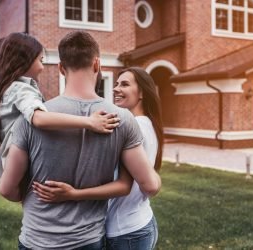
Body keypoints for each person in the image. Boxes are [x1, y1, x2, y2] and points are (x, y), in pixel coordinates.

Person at [0, 31, 161, 249]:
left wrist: (35, 199)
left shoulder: (28, 120)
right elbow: (145, 184)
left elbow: (7, 189)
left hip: (37, 240)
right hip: (88, 240)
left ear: (61, 68)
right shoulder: (121, 119)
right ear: (97, 64)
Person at [33, 67, 163, 250]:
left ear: (141, 92)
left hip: (125, 232)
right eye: (116, 84)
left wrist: (73, 194)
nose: (116, 88)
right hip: (140, 222)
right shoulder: (146, 123)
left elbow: (143, 185)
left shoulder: (135, 127)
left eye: (124, 84)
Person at [0, 32, 119, 179]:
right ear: (24, 62)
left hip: (12, 167)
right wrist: (89, 122)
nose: (42, 67)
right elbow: (38, 118)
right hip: (20, 167)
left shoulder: (11, 88)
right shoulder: (19, 89)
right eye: (41, 60)